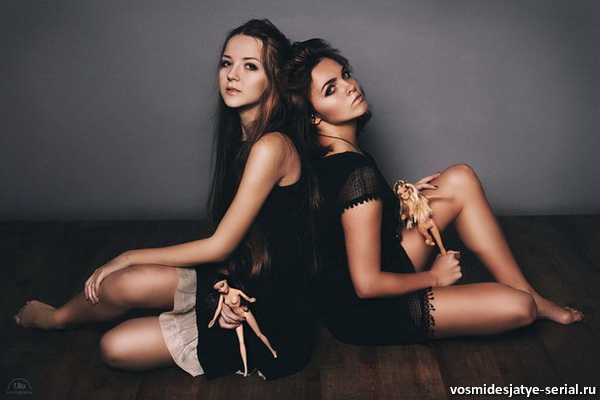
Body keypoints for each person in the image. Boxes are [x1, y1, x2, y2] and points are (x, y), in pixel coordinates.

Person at [14, 19, 317, 380]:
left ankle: (76, 317)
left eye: (250, 66)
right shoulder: (241, 139)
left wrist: (128, 255)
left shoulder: (272, 146)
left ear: (274, 79)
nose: (232, 75)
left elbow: (220, 246)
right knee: (121, 284)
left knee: (115, 347)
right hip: (236, 278)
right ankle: (57, 318)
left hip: (268, 309)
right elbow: (244, 246)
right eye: (226, 63)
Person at [284, 38, 583, 346]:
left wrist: (398, 201)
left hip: (378, 267)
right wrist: (435, 278)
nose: (349, 86)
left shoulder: (334, 157)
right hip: (365, 311)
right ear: (313, 116)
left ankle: (532, 292)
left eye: (345, 74)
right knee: (520, 307)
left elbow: (340, 222)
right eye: (330, 89)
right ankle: (529, 300)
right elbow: (367, 285)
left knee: (460, 178)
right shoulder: (355, 172)